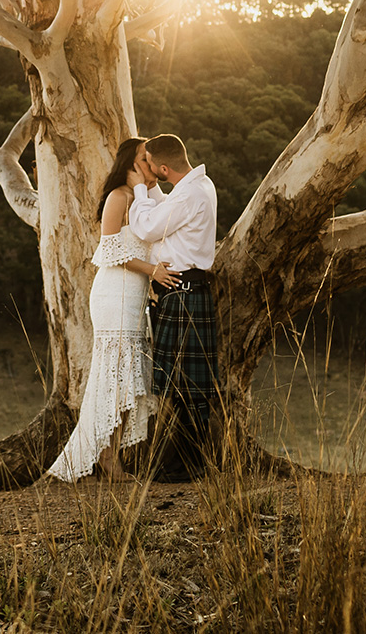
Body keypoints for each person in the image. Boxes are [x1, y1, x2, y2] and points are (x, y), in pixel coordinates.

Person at [45, 137, 177, 483]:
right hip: (113, 294)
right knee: (113, 380)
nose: (151, 163)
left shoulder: (148, 199)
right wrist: (153, 272)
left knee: (128, 380)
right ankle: (104, 459)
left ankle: (108, 455)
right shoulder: (119, 197)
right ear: (132, 164)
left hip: (135, 297)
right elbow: (109, 251)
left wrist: (146, 188)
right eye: (144, 159)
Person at [127, 132, 220, 480]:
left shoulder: (189, 195)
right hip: (183, 292)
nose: (147, 169)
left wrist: (138, 188)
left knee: (186, 390)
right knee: (184, 388)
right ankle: (184, 464)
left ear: (163, 167)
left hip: (183, 293)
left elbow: (148, 227)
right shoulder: (196, 186)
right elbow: (166, 209)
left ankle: (186, 466)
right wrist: (151, 189)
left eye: (150, 164)